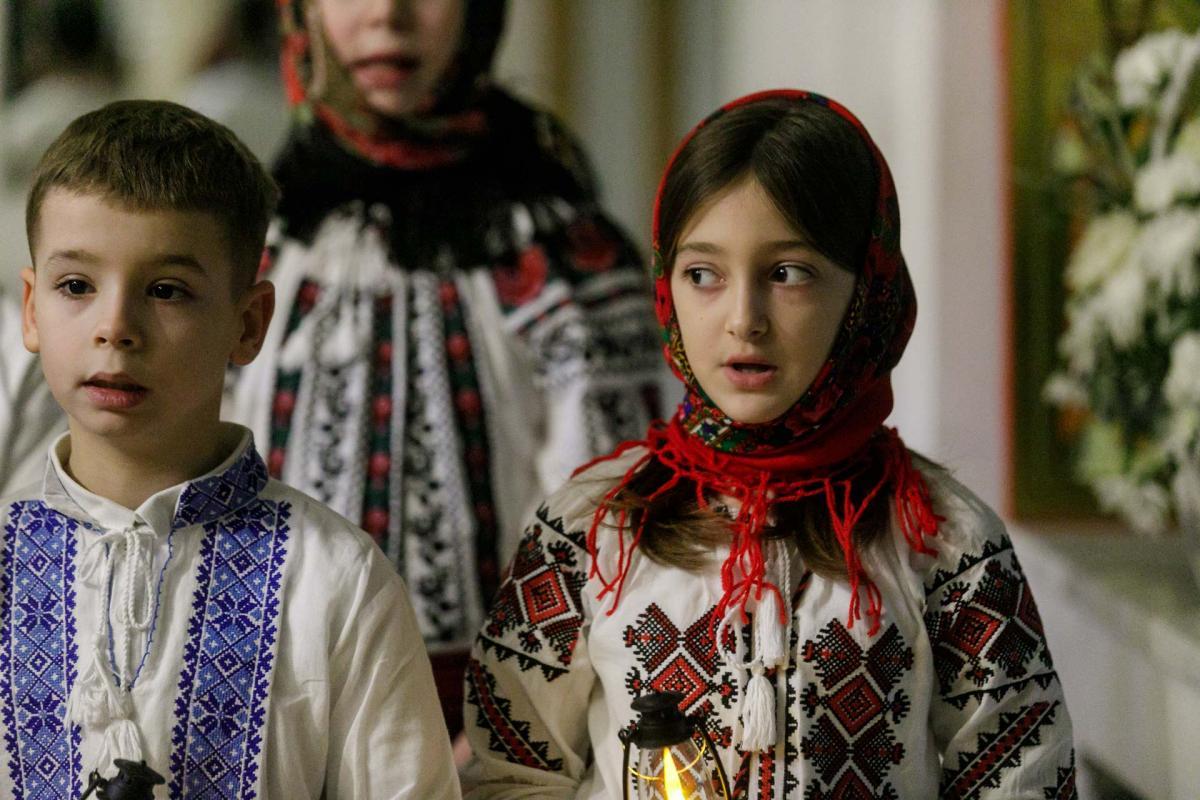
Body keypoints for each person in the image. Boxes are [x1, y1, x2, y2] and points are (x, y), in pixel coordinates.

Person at [463, 90, 1077, 798]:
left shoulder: (942, 540)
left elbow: (1022, 780)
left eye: (788, 273)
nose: (743, 319)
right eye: (703, 275)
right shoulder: (591, 527)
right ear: (666, 285)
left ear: (866, 290)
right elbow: (510, 776)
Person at [226, 0, 665, 732]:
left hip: (498, 740)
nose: (387, 13)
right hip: (271, 726)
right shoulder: (255, 245)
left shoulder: (563, 260)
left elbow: (608, 531)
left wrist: (500, 737)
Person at [9, 99, 458, 798]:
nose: (115, 326)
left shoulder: (335, 579)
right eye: (76, 286)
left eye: (166, 290)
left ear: (248, 323)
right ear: (32, 309)